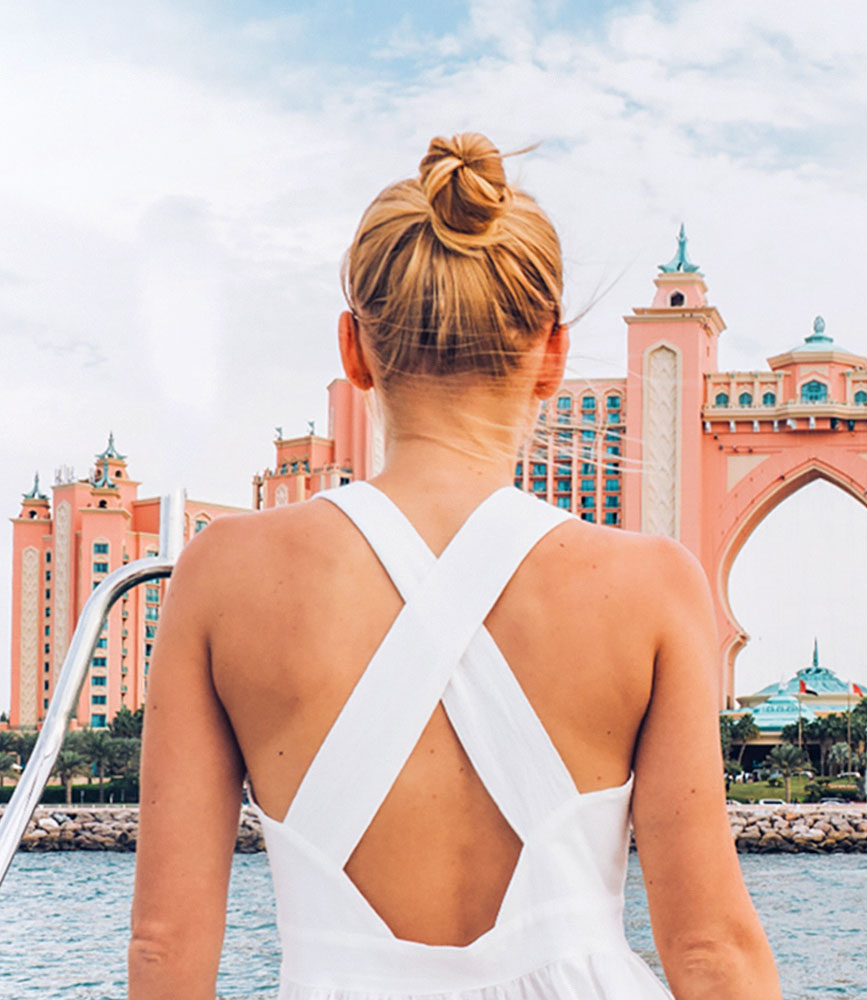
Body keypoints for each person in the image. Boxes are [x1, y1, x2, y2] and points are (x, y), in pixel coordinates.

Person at [129, 133, 781, 999]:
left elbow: (165, 950)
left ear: (352, 349)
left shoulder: (223, 575)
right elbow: (710, 954)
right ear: (551, 356)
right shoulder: (650, 587)